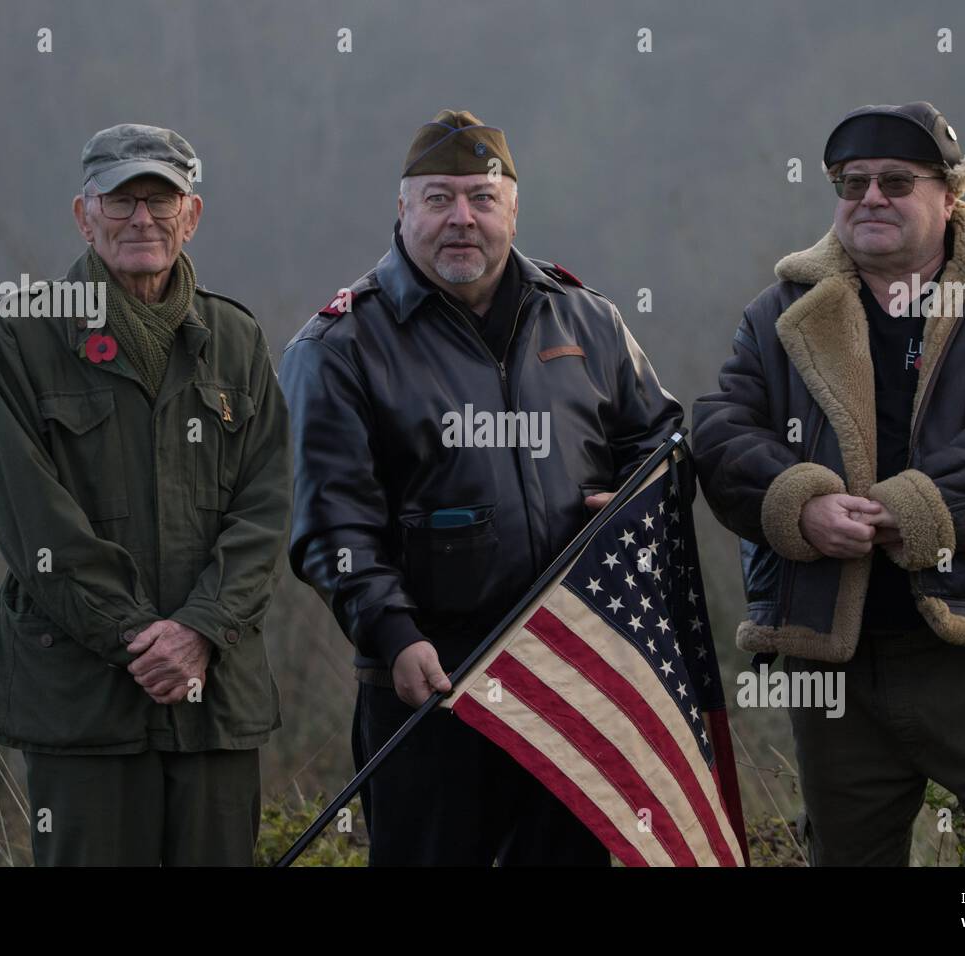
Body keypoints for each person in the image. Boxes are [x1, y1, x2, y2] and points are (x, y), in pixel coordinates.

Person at [278, 109, 683, 865]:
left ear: (513, 208)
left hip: (577, 672)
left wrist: (634, 504)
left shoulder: (587, 319)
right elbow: (332, 528)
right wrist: (392, 634)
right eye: (439, 198)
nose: (462, 218)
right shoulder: (338, 348)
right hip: (431, 677)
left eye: (482, 197)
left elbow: (661, 442)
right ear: (403, 209)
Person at [692, 102, 965, 865]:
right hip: (826, 657)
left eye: (896, 181)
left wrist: (912, 507)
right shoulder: (779, 313)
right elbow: (720, 431)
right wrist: (799, 505)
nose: (870, 196)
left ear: (950, 194)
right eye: (852, 182)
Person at [0, 123, 288, 865]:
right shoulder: (20, 336)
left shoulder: (237, 340)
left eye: (160, 198)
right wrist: (141, 641)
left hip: (215, 701)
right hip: (83, 705)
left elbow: (267, 507)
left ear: (192, 214)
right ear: (84, 216)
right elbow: (30, 516)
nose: (141, 218)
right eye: (120, 201)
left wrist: (202, 629)